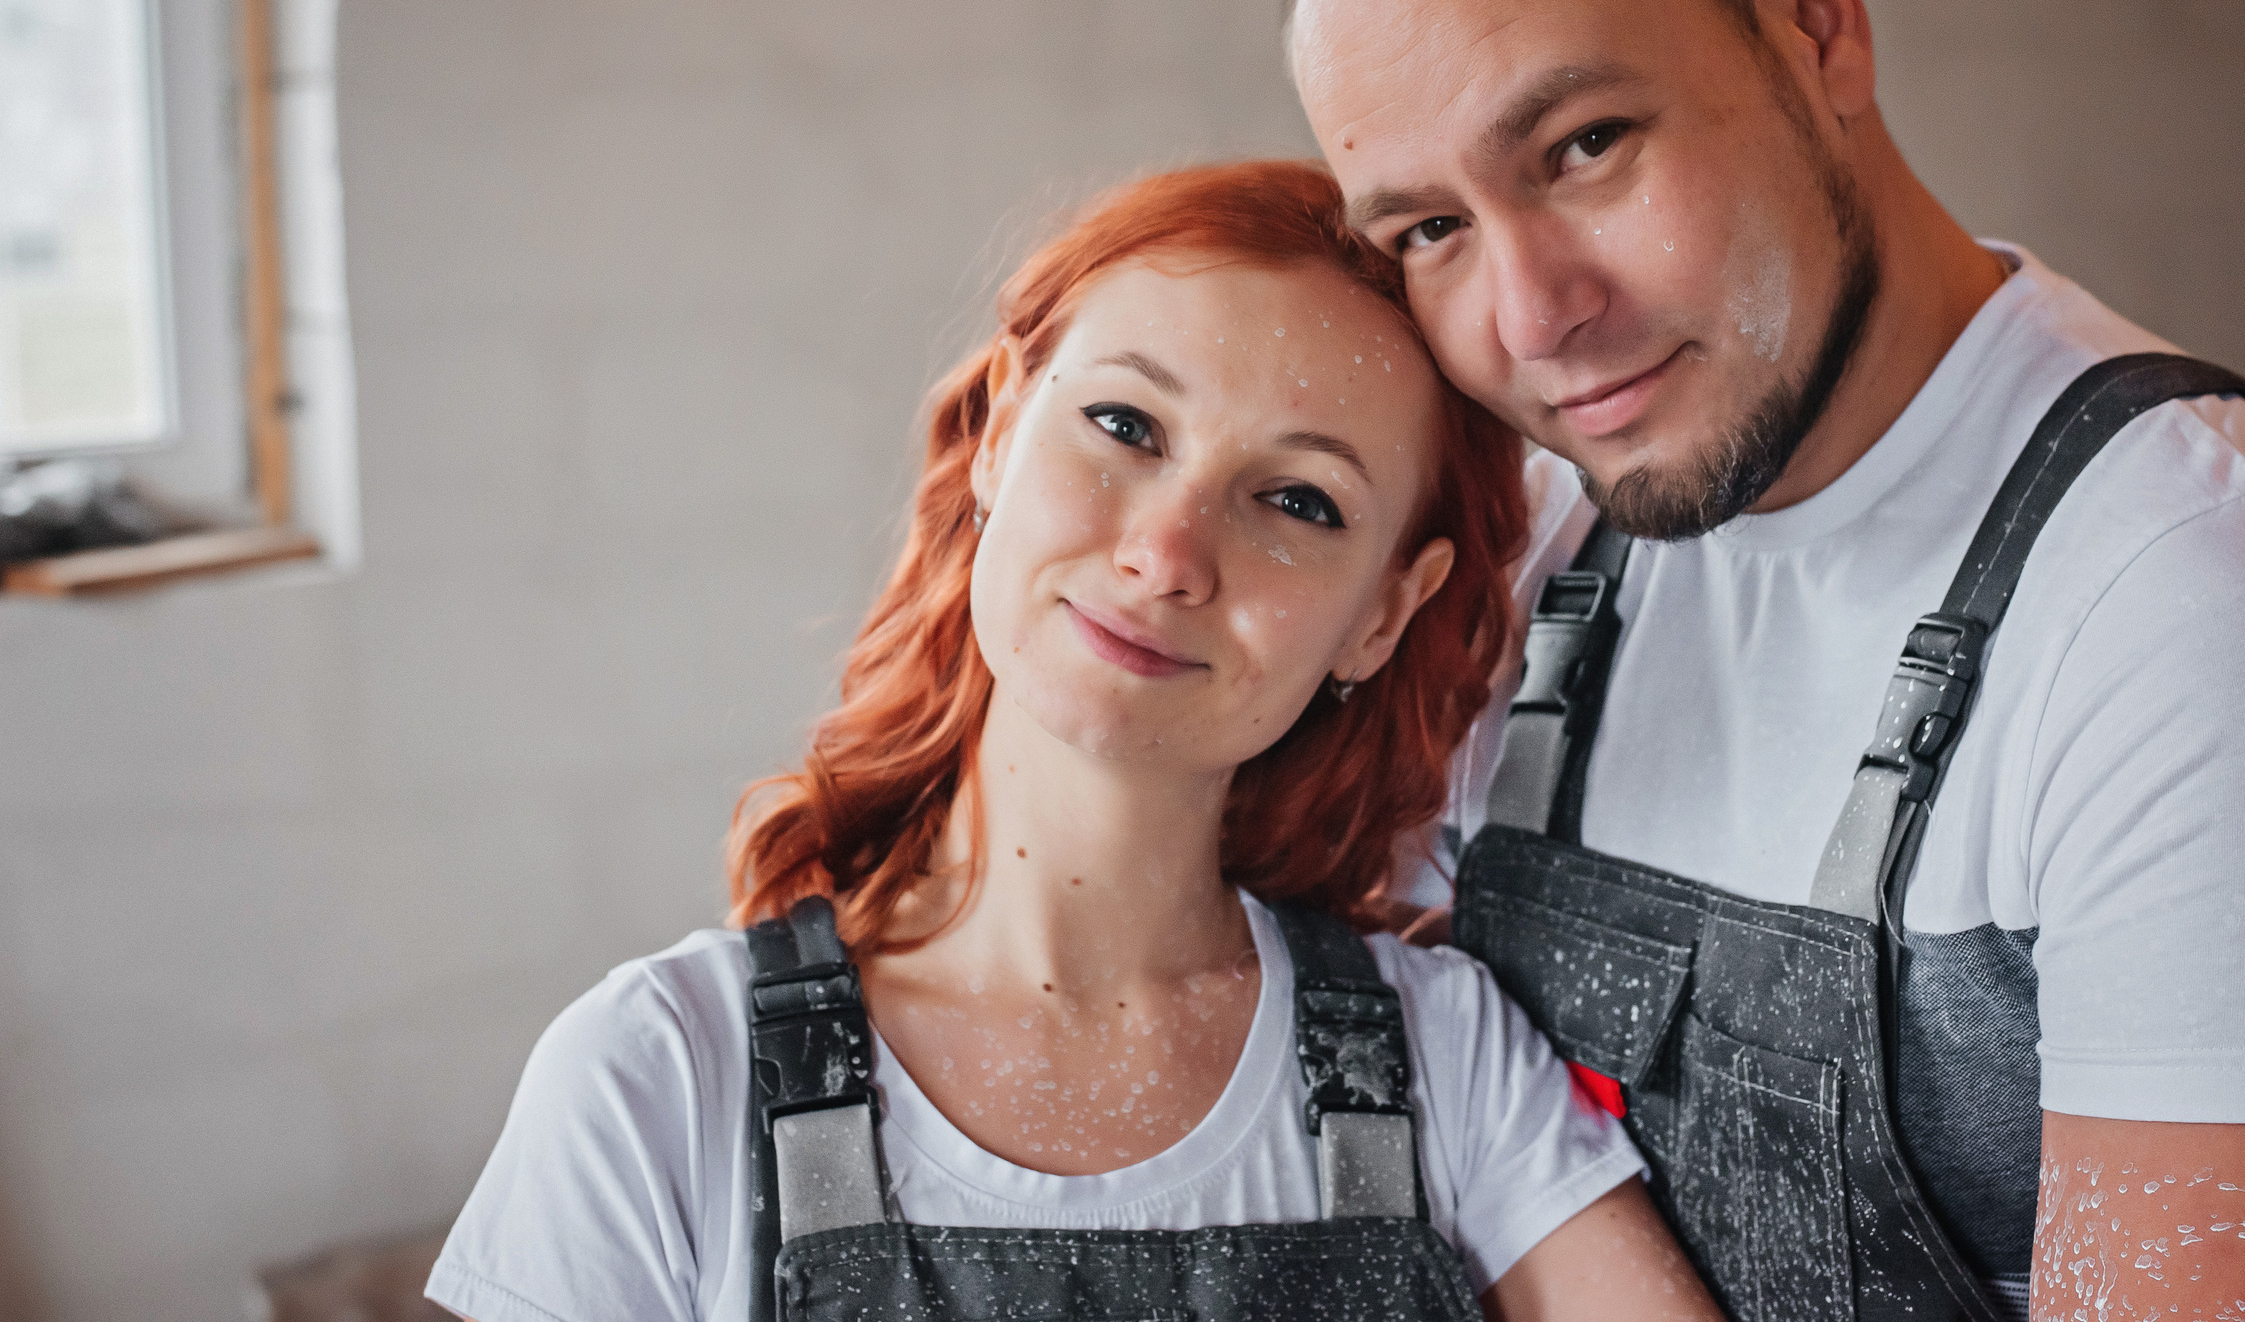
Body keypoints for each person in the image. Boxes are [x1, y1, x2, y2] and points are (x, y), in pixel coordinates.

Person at [1282, 0, 2245, 1319]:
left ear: (1815, 25)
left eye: (1587, 145)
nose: (1532, 317)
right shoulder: (1515, 559)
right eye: (1429, 229)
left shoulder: (2211, 599)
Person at [424, 162, 1728, 1322]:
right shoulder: (664, 1076)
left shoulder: (1446, 1062)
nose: (1164, 553)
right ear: (1002, 428)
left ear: (1382, 612)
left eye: (1296, 499)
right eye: (1124, 425)